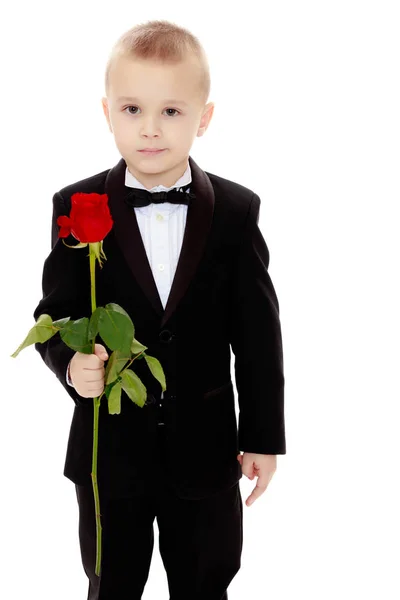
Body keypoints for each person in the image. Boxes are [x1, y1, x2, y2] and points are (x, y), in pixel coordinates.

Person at [33, 18, 286, 600]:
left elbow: (257, 335)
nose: (150, 129)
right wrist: (72, 365)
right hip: (109, 455)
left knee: (206, 582)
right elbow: (57, 311)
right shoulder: (76, 204)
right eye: (131, 110)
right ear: (106, 112)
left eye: (171, 112)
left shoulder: (236, 211)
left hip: (207, 452)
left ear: (204, 117)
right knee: (110, 582)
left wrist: (264, 435)